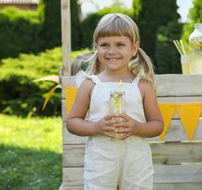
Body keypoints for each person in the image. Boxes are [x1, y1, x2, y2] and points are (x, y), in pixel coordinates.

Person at [67, 13, 164, 190]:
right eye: (105, 45)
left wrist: (138, 127)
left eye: (120, 44)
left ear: (134, 48)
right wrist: (96, 127)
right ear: (97, 47)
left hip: (136, 163)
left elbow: (157, 124)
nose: (112, 51)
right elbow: (72, 122)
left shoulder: (143, 85)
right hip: (101, 162)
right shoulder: (90, 85)